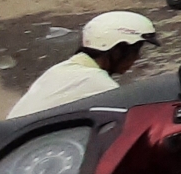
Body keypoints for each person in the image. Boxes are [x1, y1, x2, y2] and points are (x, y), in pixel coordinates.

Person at [9, 11, 158, 117]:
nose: (138, 57)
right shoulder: (100, 85)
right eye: (136, 50)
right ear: (117, 50)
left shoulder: (61, 70)